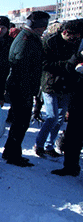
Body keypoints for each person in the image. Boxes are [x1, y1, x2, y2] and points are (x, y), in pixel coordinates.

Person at [1, 11, 50, 167]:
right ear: (38, 26)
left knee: (19, 122)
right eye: (43, 27)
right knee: (21, 123)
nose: (44, 30)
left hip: (23, 88)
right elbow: (20, 68)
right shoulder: (26, 40)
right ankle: (13, 155)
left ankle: (10, 151)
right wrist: (27, 90)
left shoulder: (29, 38)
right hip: (21, 89)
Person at [34, 20, 82, 158]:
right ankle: (39, 144)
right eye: (73, 37)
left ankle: (50, 145)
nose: (75, 40)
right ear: (65, 33)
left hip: (67, 85)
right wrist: (68, 63)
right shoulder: (49, 42)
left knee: (60, 119)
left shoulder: (76, 43)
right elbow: (44, 64)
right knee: (52, 117)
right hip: (50, 84)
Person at [51, 48, 83, 176]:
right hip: (78, 101)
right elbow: (69, 68)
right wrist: (78, 56)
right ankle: (70, 166)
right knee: (73, 136)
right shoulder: (79, 54)